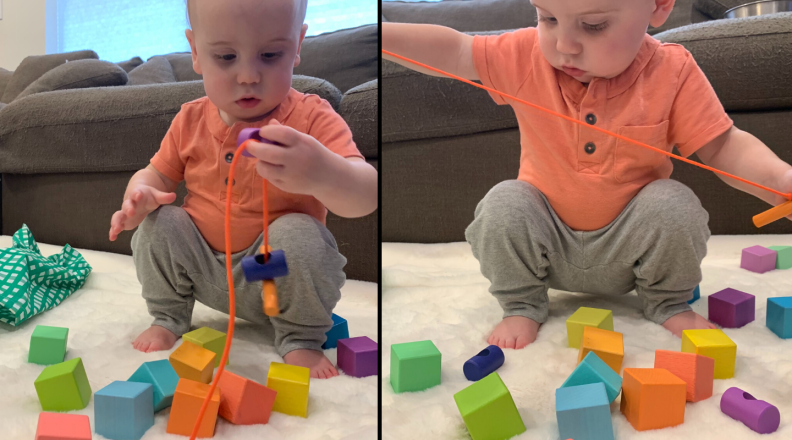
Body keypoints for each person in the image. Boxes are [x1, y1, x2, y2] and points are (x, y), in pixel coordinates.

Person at [383, 0, 792, 349]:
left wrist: (778, 181)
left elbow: (723, 145)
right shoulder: (526, 55)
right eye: (547, 18)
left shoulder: (673, 70)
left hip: (630, 253)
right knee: (504, 204)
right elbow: (456, 51)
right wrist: (380, 34)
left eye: (594, 25)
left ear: (659, 5)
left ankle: (667, 302)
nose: (564, 45)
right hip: (547, 246)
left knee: (674, 204)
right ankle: (523, 304)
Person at [109, 0, 378, 378]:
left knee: (298, 233)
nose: (249, 75)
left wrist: (323, 174)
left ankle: (300, 336)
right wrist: (140, 195)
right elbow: (155, 174)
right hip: (201, 271)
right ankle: (168, 316)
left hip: (270, 278)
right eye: (225, 57)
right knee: (160, 222)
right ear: (196, 53)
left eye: (270, 55)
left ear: (297, 45)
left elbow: (366, 195)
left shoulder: (312, 117)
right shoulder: (189, 119)